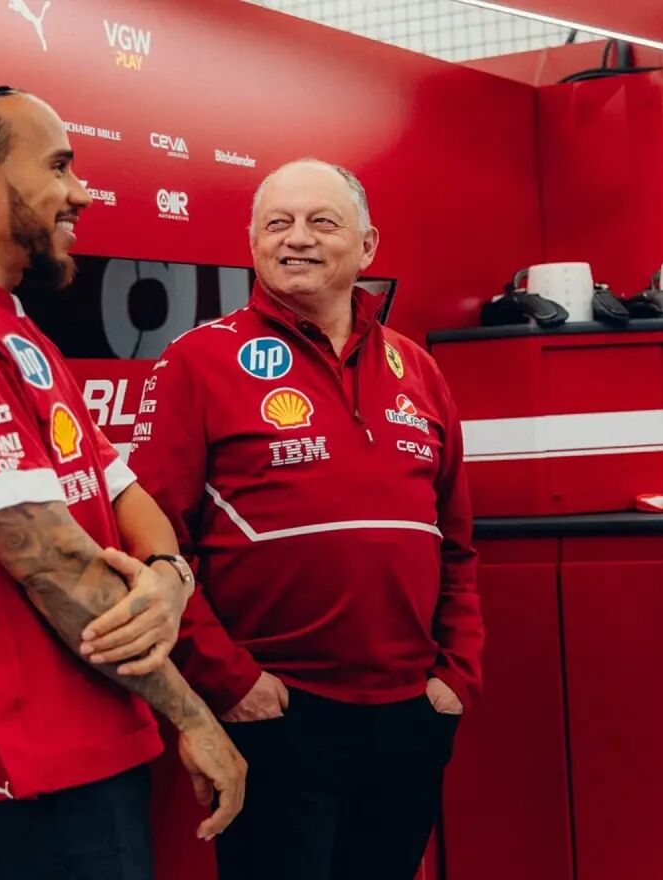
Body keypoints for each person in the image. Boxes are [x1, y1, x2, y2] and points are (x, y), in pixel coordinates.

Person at [0, 84, 245, 880]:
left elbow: (123, 492)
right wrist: (195, 716)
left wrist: (169, 576)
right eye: (60, 166)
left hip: (91, 759)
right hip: (16, 787)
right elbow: (53, 561)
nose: (82, 191)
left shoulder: (12, 324)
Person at [125, 158, 483, 880]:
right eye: (277, 224)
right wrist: (230, 682)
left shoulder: (418, 369)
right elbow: (152, 542)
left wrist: (456, 677)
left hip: (410, 712)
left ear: (368, 245)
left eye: (322, 222)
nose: (298, 240)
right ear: (252, 242)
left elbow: (457, 545)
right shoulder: (198, 362)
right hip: (277, 712)